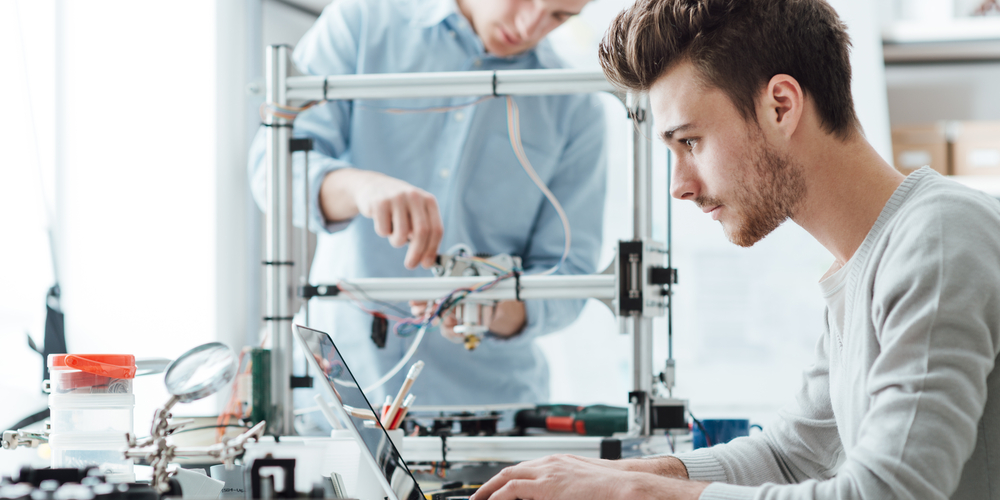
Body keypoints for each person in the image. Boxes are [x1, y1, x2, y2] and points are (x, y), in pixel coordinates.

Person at [471, 0, 1000, 498]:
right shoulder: (865, 260)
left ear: (781, 106)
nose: (679, 184)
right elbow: (793, 455)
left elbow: (888, 492)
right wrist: (617, 474)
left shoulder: (939, 236)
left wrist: (634, 491)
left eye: (691, 142)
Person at [247, 0, 607, 407]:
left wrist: (489, 307)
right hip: (335, 392)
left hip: (486, 412)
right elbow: (273, 172)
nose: (528, 26)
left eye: (560, 16)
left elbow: (569, 276)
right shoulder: (361, 21)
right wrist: (359, 187)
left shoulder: (574, 103)